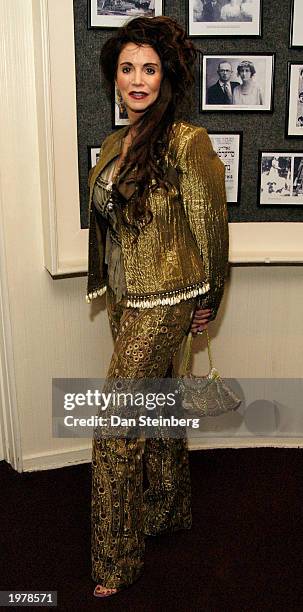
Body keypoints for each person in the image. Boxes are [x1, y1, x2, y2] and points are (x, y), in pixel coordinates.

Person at [86, 15, 228, 598]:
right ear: (114, 79)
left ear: (166, 75)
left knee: (115, 427)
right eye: (127, 69)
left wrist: (208, 299)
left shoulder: (188, 143)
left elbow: (211, 231)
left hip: (168, 297)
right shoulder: (117, 143)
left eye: (149, 68)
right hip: (127, 294)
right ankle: (165, 509)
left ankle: (114, 560)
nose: (137, 79)